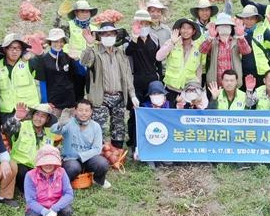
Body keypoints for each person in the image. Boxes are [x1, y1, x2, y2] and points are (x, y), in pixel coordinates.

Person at [80, 22, 139, 150]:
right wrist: (89, 45)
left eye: (111, 34)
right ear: (100, 36)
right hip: (101, 96)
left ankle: (117, 152)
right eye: (105, 34)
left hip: (119, 96)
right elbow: (84, 61)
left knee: (118, 126)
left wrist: (132, 95)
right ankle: (97, 153)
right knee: (98, 125)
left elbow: (127, 75)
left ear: (116, 35)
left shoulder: (120, 53)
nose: (108, 36)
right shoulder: (95, 52)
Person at [50, 99, 111, 188]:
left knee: (102, 163)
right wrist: (60, 124)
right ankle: (65, 184)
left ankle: (98, 180)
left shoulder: (96, 126)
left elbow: (97, 148)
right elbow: (54, 130)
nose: (83, 113)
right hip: (71, 159)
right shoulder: (69, 122)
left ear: (91, 112)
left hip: (88, 159)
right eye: (81, 110)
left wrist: (81, 155)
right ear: (75, 111)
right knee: (72, 167)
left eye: (87, 110)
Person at [126, 9, 163, 152]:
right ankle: (134, 141)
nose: (143, 26)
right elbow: (128, 52)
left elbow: (158, 60)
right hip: (136, 79)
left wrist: (160, 77)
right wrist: (134, 37)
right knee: (135, 111)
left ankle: (152, 138)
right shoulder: (130, 39)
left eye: (146, 23)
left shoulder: (154, 38)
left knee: (152, 109)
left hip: (152, 79)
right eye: (140, 23)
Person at [3, 103, 58, 194]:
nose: (38, 118)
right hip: (20, 165)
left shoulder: (49, 134)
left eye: (43, 116)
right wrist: (16, 118)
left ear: (47, 119)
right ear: (32, 115)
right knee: (23, 173)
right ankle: (26, 191)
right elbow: (6, 130)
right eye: (37, 114)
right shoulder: (22, 126)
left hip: (38, 167)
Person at [24, 145, 73, 216]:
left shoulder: (62, 173)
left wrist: (54, 209)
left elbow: (68, 194)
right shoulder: (30, 175)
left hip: (56, 207)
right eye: (44, 161)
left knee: (67, 211)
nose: (48, 164)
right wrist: (46, 213)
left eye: (51, 161)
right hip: (38, 209)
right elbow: (30, 200)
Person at [54, 0, 99, 101]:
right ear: (76, 12)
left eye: (87, 11)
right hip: (72, 62)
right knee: (75, 90)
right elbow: (57, 31)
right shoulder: (69, 25)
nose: (85, 13)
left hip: (89, 63)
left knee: (91, 90)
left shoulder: (94, 28)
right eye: (82, 11)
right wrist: (58, 16)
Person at [34, 28, 86, 112]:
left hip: (70, 102)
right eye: (55, 41)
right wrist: (45, 102)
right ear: (50, 43)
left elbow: (82, 73)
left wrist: (76, 60)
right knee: (54, 125)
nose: (59, 44)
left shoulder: (69, 57)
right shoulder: (43, 60)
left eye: (61, 41)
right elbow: (42, 82)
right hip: (53, 104)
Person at [156, 18, 203, 105]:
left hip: (189, 91)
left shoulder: (198, 48)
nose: (186, 31)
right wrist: (172, 43)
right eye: (183, 28)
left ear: (193, 31)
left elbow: (198, 71)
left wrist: (198, 91)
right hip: (171, 90)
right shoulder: (172, 42)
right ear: (179, 30)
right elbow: (158, 57)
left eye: (189, 28)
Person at [0, 33, 42, 123]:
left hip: (28, 111)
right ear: (5, 49)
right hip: (7, 112)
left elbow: (45, 69)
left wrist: (40, 55)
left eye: (18, 48)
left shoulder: (29, 62)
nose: (15, 51)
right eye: (11, 48)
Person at [200, 13, 251, 88]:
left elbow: (246, 51)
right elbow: (202, 50)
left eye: (227, 25)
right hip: (216, 84)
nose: (224, 27)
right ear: (217, 28)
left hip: (233, 83)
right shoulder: (213, 42)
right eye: (221, 25)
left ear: (231, 28)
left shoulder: (236, 41)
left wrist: (241, 37)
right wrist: (210, 38)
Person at [235, 5, 270, 88]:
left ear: (256, 19)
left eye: (252, 18)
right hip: (243, 71)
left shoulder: (263, 30)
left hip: (261, 71)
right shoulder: (236, 32)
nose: (249, 21)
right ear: (242, 19)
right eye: (246, 18)